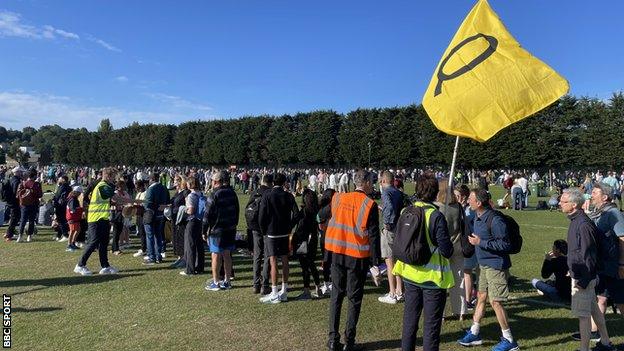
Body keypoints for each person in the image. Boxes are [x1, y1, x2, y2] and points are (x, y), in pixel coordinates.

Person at [393, 173, 454, 351]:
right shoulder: (435, 216)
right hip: (432, 280)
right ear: (435, 193)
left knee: (409, 322)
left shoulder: (406, 211)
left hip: (410, 274)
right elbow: (447, 251)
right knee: (431, 328)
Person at [325, 170, 381, 351]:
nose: (373, 185)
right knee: (354, 299)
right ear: (364, 183)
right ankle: (349, 341)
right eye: (371, 182)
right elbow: (373, 237)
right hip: (356, 256)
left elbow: (325, 214)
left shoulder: (338, 198)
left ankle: (333, 339)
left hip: (336, 252)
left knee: (336, 296)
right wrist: (375, 263)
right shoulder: (369, 204)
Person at [458, 188, 519, 351]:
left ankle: (509, 340)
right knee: (481, 297)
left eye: (470, 198)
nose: (467, 201)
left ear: (478, 203)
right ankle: (475, 332)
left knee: (495, 302)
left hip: (496, 265)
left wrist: (481, 243)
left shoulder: (496, 220)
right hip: (484, 265)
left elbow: (505, 244)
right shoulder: (477, 217)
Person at [560, 188, 614, 351]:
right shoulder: (576, 220)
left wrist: (583, 280)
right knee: (595, 311)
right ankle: (605, 343)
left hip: (584, 277)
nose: (560, 204)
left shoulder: (583, 224)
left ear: (574, 205)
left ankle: (584, 348)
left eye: (563, 201)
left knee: (583, 316)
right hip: (582, 274)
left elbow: (589, 255)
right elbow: (578, 252)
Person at [573, 182, 624, 343]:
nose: (591, 195)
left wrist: (622, 264)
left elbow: (623, 239)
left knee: (621, 302)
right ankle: (595, 331)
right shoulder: (600, 212)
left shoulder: (614, 213)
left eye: (594, 192)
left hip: (615, 266)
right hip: (603, 265)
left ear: (605, 197)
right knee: (601, 298)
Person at [74, 168, 133, 275]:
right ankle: (80, 265)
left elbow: (110, 202)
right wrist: (135, 202)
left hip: (103, 218)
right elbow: (117, 199)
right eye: (114, 177)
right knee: (93, 242)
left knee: (103, 243)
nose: (115, 180)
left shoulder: (105, 186)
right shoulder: (103, 186)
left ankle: (105, 266)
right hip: (96, 219)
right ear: (109, 176)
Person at [258, 173, 298, 303]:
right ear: (284, 182)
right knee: (285, 259)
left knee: (273, 261)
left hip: (272, 232)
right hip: (285, 232)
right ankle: (284, 290)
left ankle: (275, 291)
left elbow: (262, 215)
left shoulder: (267, 195)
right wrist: (290, 226)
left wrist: (264, 230)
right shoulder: (288, 195)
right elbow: (296, 214)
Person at [434, 179, 465, 321]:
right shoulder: (458, 206)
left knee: (441, 281)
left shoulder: (437, 207)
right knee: (459, 280)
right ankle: (461, 310)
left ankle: (441, 312)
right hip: (457, 246)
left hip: (444, 247)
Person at [203, 171, 239, 291]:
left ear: (216, 181)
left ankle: (216, 282)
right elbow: (237, 211)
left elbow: (207, 215)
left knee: (215, 255)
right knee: (227, 255)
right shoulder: (232, 193)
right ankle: (227, 281)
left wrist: (204, 231)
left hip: (217, 230)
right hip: (230, 229)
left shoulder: (214, 194)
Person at [378, 171, 405, 304]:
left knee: (389, 262)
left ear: (383, 181)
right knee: (398, 261)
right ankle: (400, 291)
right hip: (398, 228)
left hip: (390, 228)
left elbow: (389, 207)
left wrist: (388, 221)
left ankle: (392, 292)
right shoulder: (397, 192)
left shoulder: (386, 192)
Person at [246, 173, 273, 294]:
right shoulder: (270, 193)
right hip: (266, 228)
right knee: (267, 255)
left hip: (255, 227)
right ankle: (265, 284)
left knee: (257, 255)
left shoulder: (255, 192)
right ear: (271, 183)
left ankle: (256, 284)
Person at [292, 188, 321, 300]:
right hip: (313, 240)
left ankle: (306, 291)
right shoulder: (316, 210)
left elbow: (297, 225)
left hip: (303, 240)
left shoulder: (304, 212)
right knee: (311, 264)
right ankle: (318, 287)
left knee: (305, 267)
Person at [455, 184, 477, 310]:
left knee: (467, 272)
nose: (455, 198)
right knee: (466, 272)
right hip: (465, 244)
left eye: (457, 196)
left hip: (469, 244)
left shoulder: (469, 210)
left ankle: (468, 300)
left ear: (463, 197)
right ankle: (471, 294)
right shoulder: (464, 208)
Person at [143, 172, 171, 265]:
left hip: (150, 215)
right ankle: (159, 255)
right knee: (158, 235)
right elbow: (167, 201)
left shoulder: (151, 189)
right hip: (160, 214)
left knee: (150, 236)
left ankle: (152, 257)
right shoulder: (164, 188)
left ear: (151, 179)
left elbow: (147, 203)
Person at [180, 177, 204, 276]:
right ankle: (200, 266)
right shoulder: (201, 194)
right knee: (199, 245)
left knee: (190, 245)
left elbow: (191, 210)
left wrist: (184, 209)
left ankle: (190, 269)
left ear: (190, 184)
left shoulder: (191, 196)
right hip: (200, 221)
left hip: (192, 221)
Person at [318, 188, 337, 296]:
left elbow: (320, 226)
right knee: (333, 261)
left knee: (326, 261)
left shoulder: (322, 209)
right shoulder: (333, 207)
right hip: (335, 237)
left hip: (325, 237)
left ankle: (327, 283)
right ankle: (332, 283)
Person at [16, 169, 43, 243]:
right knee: (31, 220)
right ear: (34, 176)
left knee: (23, 220)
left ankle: (20, 236)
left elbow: (17, 195)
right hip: (34, 204)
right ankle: (29, 236)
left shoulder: (23, 183)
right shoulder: (37, 184)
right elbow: (40, 195)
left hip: (24, 204)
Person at [170, 175, 190, 268]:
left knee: (181, 238)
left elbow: (188, 204)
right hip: (174, 218)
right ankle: (179, 257)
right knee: (176, 238)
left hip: (182, 219)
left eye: (176, 180)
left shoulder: (185, 192)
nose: (174, 182)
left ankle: (184, 258)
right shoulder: (177, 192)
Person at [3, 167, 23, 242]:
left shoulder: (11, 178)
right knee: (15, 218)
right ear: (17, 172)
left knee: (13, 218)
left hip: (10, 202)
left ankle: (8, 233)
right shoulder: (16, 180)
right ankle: (9, 235)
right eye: (20, 172)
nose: (21, 173)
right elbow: (16, 192)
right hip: (14, 202)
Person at [65, 185, 84, 252]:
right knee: (72, 231)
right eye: (79, 193)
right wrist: (81, 209)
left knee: (78, 230)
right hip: (72, 217)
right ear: (76, 192)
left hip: (75, 217)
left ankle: (73, 242)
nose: (80, 194)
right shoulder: (72, 199)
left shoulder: (74, 199)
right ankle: (69, 245)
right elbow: (73, 210)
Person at [53, 175, 71, 241]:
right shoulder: (69, 187)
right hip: (66, 205)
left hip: (60, 206)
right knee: (63, 220)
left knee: (61, 221)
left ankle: (65, 235)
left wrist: (54, 199)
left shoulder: (62, 186)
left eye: (59, 179)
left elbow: (57, 196)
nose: (58, 180)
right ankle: (59, 234)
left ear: (63, 180)